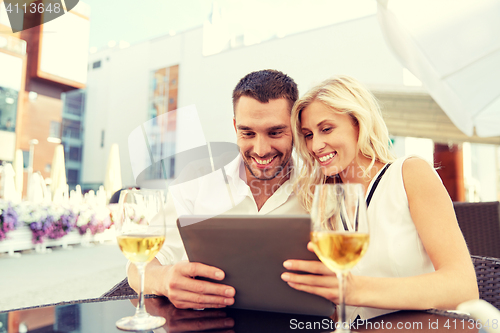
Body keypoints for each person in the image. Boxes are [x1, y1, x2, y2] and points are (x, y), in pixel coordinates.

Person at [282, 75, 479, 320]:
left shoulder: (410, 174)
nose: (316, 145)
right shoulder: (321, 199)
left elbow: (462, 286)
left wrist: (355, 290)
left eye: (326, 129)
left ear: (358, 124)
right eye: (308, 135)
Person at [127, 69, 307, 309]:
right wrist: (163, 279)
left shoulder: (321, 189)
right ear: (235, 128)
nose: (261, 149)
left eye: (275, 132)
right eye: (248, 133)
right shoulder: (196, 180)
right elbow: (138, 266)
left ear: (295, 127)